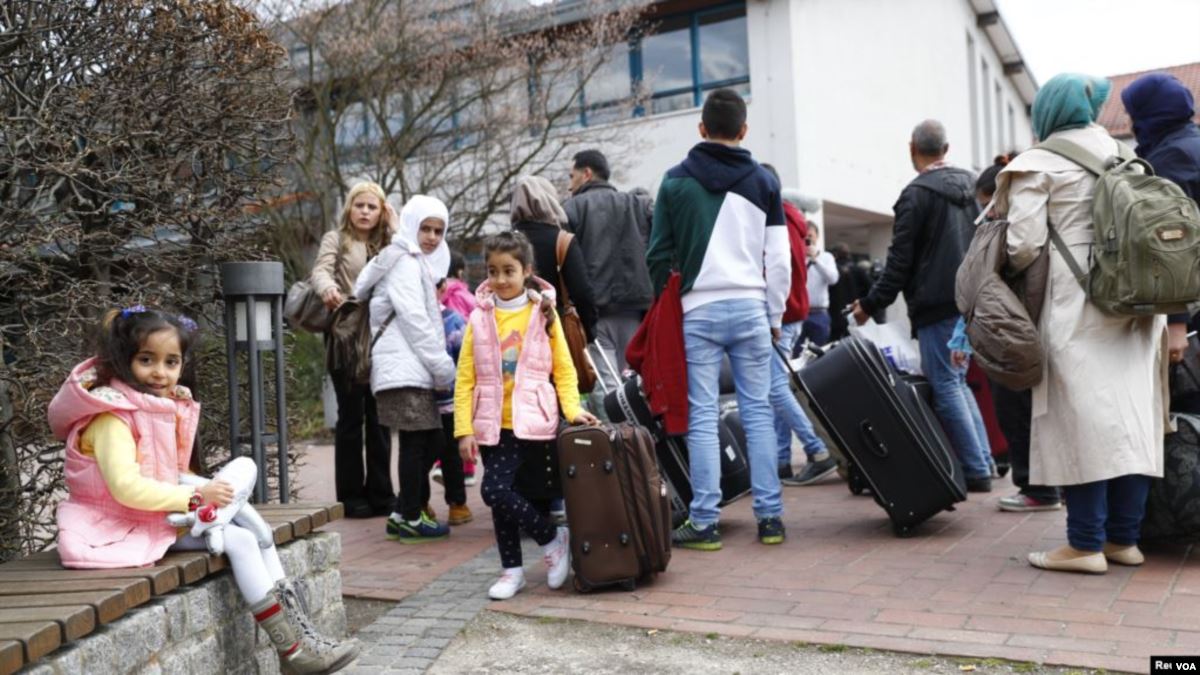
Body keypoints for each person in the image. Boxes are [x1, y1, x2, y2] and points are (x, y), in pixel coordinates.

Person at [47, 307, 358, 673]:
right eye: (147, 360)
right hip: (118, 527)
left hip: (159, 517)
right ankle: (292, 650)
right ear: (122, 359)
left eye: (171, 361)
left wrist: (205, 493)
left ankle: (298, 636)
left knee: (246, 471)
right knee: (244, 539)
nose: (160, 372)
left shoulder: (157, 407)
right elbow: (126, 489)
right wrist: (197, 498)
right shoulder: (110, 417)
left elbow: (169, 474)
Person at [996, 73, 1165, 573]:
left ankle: (1083, 545)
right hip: (1137, 308)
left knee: (1080, 424)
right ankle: (1123, 541)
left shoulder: (1038, 164)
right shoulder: (1126, 155)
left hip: (1077, 307)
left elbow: (1022, 245)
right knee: (1132, 423)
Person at [646, 88, 790, 549]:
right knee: (758, 411)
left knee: (704, 415)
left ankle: (704, 521)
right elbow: (781, 260)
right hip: (751, 307)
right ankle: (770, 519)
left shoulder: (673, 182)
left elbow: (657, 255)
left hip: (698, 310)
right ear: (744, 131)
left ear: (701, 128)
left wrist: (667, 298)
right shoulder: (765, 181)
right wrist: (775, 314)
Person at [454, 230, 600, 600]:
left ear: (527, 271)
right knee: (500, 497)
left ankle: (551, 538)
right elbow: (465, 377)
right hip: (491, 422)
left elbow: (564, 368)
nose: (500, 280)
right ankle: (514, 569)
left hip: (533, 419)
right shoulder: (478, 318)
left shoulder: (542, 313)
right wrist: (463, 430)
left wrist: (573, 409)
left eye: (509, 270)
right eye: (493, 271)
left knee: (499, 491)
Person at [850, 119, 993, 492]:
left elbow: (899, 262)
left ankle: (977, 470)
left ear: (912, 147)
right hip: (973, 300)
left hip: (938, 303)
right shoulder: (976, 186)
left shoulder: (915, 194)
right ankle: (984, 463)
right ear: (946, 148)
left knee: (945, 384)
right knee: (958, 382)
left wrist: (869, 303)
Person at [355, 195, 459, 544]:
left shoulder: (408, 259)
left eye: (438, 231)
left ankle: (403, 510)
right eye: (425, 228)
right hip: (405, 368)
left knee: (430, 439)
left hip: (408, 367)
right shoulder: (404, 262)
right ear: (412, 226)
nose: (431, 236)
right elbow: (415, 320)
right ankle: (412, 516)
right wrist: (442, 366)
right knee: (420, 442)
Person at [971, 154, 1063, 513]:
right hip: (1036, 327)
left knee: (1017, 408)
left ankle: (1039, 489)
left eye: (988, 205)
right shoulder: (1041, 221)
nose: (987, 214)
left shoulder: (1016, 234)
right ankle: (1046, 486)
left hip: (1018, 331)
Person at [511, 174, 596, 519]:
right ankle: (558, 495)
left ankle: (526, 496)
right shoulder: (562, 240)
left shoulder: (509, 241)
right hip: (552, 333)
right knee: (557, 411)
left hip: (513, 339)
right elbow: (583, 292)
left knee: (522, 412)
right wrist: (588, 330)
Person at [310, 181, 394, 518]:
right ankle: (351, 496)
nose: (365, 212)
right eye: (359, 205)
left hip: (382, 335)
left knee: (380, 417)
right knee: (350, 417)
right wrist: (328, 288)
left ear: (381, 211)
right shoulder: (337, 238)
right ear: (349, 208)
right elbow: (320, 270)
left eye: (372, 206)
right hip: (345, 335)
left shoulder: (388, 242)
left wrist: (394, 221)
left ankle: (382, 493)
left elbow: (411, 252)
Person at [759, 163, 835, 485]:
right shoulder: (790, 217)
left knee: (775, 388)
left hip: (782, 313)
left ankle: (817, 450)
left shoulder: (777, 220)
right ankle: (781, 460)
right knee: (777, 388)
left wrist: (773, 315)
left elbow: (778, 269)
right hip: (791, 312)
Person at [1122, 73, 1200, 380]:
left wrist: (1176, 319)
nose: (1130, 124)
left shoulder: (1172, 157)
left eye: (1132, 115)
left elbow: (1172, 238)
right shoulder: (1190, 145)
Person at [564, 149, 654, 388]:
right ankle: (641, 426)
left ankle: (618, 426)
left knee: (609, 385)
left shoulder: (572, 209)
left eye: (571, 176)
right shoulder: (636, 205)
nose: (569, 185)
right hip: (635, 309)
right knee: (636, 381)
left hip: (596, 312)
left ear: (586, 174)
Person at [431, 250, 478, 486]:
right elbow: (475, 320)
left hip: (438, 367)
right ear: (460, 271)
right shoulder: (466, 295)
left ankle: (441, 464)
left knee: (444, 426)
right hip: (461, 354)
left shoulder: (433, 294)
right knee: (463, 419)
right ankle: (467, 468)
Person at [800, 222, 839, 347]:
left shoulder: (826, 257)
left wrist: (815, 261)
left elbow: (833, 279)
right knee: (794, 353)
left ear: (817, 237)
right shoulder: (797, 257)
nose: (808, 239)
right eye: (805, 236)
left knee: (819, 352)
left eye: (810, 236)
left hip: (819, 313)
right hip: (799, 314)